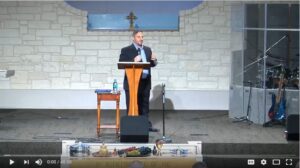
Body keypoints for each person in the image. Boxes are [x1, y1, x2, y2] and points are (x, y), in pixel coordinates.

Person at [119, 30, 159, 132]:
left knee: (144, 105)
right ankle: (131, 127)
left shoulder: (147, 50)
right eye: (138, 37)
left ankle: (145, 126)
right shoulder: (126, 50)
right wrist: (133, 61)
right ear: (133, 38)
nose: (141, 38)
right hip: (132, 83)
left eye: (142, 37)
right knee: (132, 104)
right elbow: (121, 63)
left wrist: (154, 60)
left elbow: (152, 64)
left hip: (145, 82)